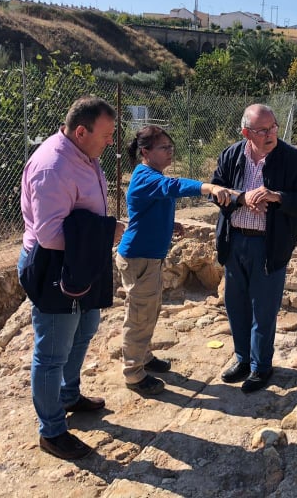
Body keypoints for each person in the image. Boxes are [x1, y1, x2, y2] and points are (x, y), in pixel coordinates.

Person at [18, 95, 124, 460]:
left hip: (80, 262)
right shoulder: (53, 168)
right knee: (51, 352)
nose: (111, 142)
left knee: (85, 327)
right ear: (81, 131)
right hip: (54, 266)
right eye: (107, 135)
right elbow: (49, 236)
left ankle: (68, 393)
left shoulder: (83, 155)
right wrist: (106, 233)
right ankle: (52, 431)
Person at [211, 104, 297, 393]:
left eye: (273, 126)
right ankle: (242, 359)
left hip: (269, 244)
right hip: (234, 241)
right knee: (235, 305)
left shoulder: (294, 159)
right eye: (263, 130)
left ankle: (261, 367)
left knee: (264, 309)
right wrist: (239, 199)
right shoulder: (232, 155)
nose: (271, 133)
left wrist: (277, 197)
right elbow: (215, 191)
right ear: (247, 132)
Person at [116, 125, 232, 395]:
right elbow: (173, 187)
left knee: (149, 311)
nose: (170, 152)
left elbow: (153, 206)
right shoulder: (145, 175)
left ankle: (143, 358)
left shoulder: (152, 174)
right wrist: (209, 187)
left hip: (149, 257)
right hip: (138, 258)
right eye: (164, 148)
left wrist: (171, 224)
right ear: (145, 152)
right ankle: (133, 374)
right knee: (139, 316)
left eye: (171, 147)